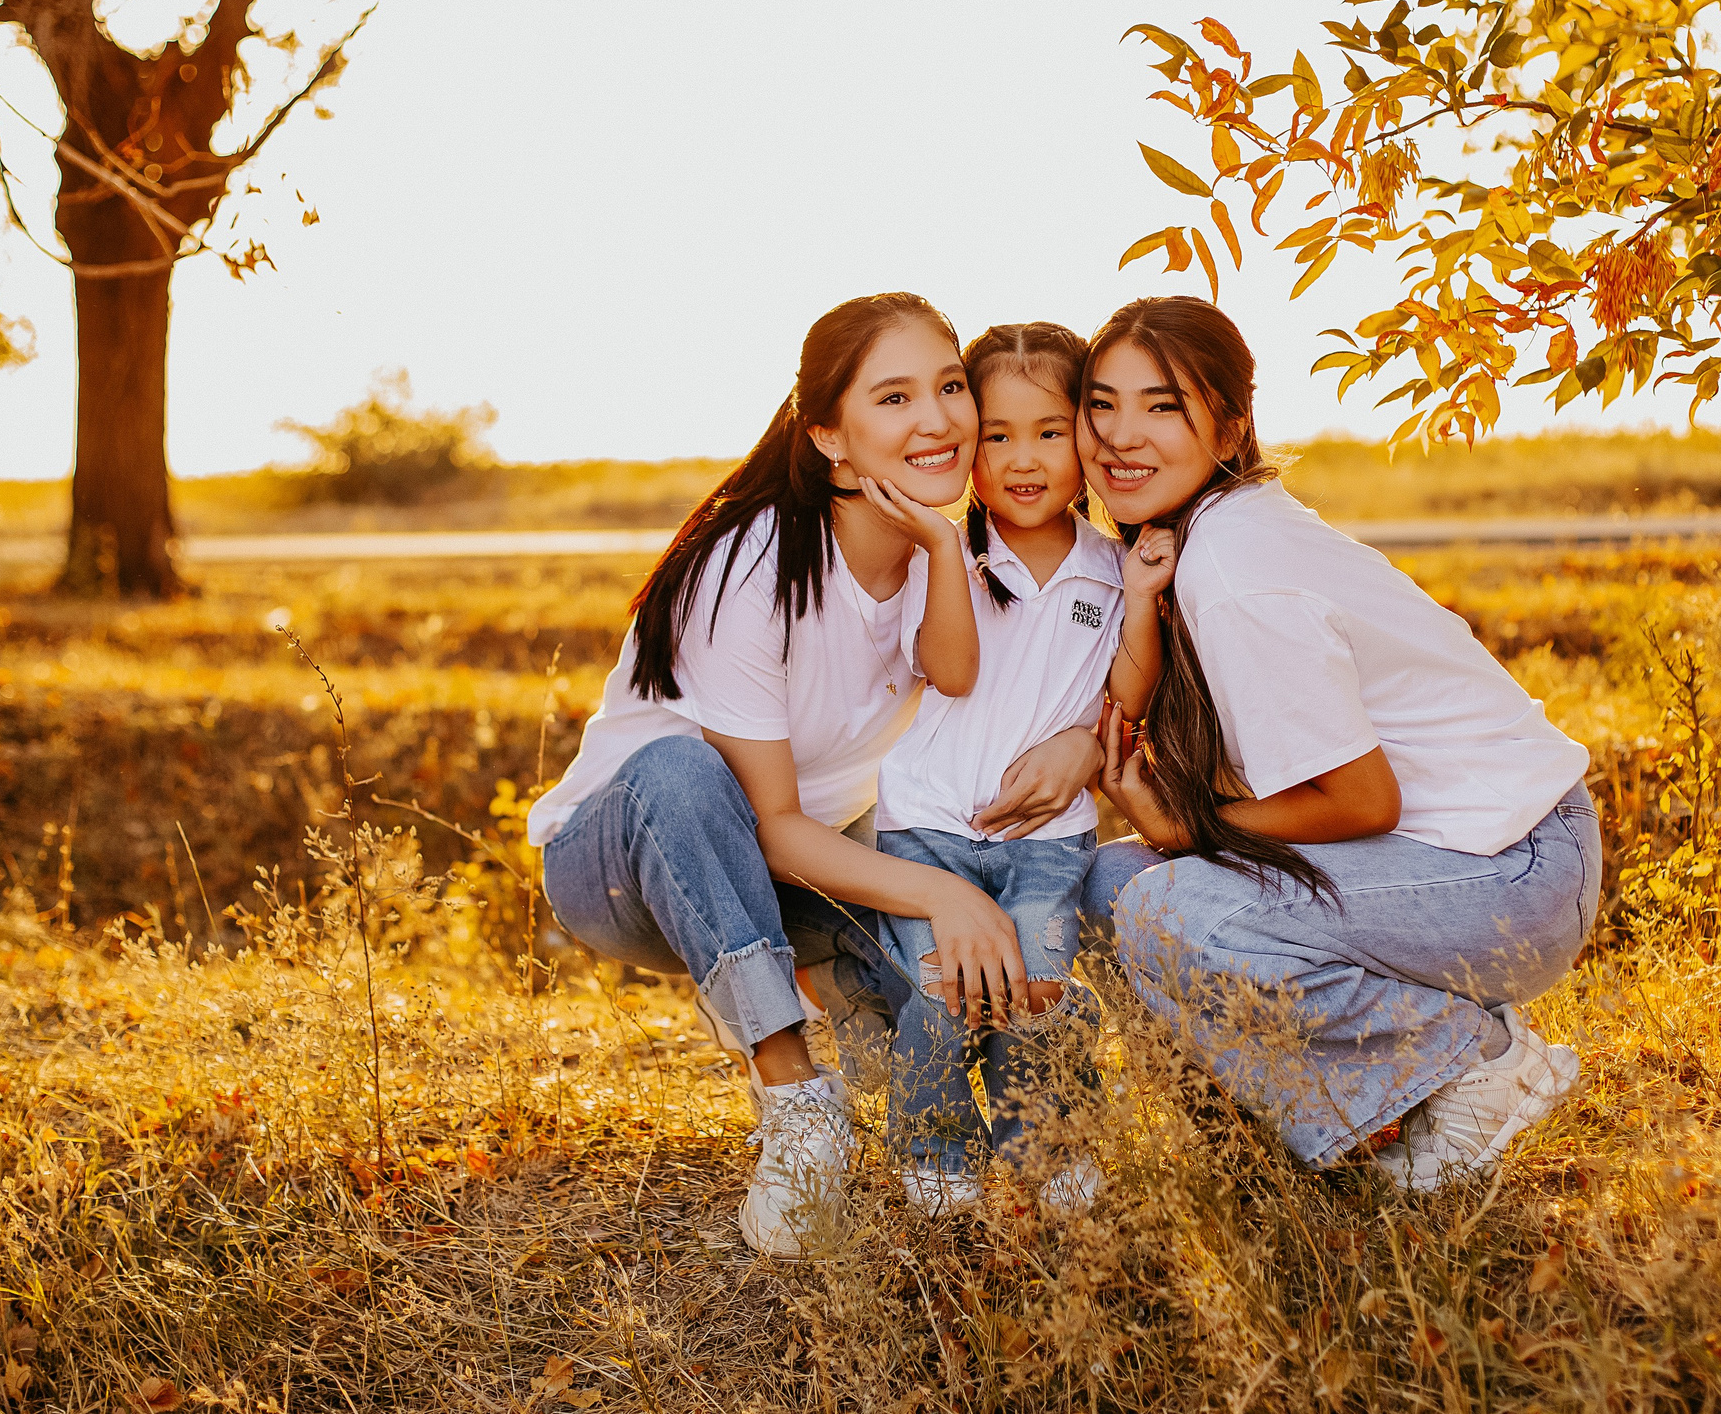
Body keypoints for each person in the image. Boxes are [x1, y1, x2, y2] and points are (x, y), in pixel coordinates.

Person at [529, 293, 1102, 1257]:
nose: (938, 419)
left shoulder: (947, 554)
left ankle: (988, 1106)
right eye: (893, 397)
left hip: (799, 865)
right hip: (632, 862)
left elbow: (1034, 679)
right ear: (830, 436)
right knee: (684, 768)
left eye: (950, 386)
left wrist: (1082, 745)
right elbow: (771, 821)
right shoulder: (748, 568)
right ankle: (795, 1101)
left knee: (957, 981)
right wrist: (942, 891)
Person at [1077, 296, 1601, 1190]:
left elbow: (1362, 800)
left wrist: (1191, 829)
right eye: (1101, 403)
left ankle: (1482, 1062)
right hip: (1434, 862)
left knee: (1171, 908)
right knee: (1105, 885)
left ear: (1232, 424)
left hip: (1513, 869)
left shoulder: (1234, 565)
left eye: (1162, 405)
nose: (1122, 434)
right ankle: (1340, 1129)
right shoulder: (1196, 537)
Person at [869, 322, 1169, 1216]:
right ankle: (932, 1148)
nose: (1021, 458)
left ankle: (1046, 1142)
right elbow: (944, 664)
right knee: (948, 993)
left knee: (1034, 994)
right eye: (995, 436)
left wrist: (1146, 601)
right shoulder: (942, 554)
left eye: (1047, 431)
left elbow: (1126, 688)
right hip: (927, 827)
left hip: (1048, 841)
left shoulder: (1110, 569)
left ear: (1083, 438)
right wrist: (943, 548)